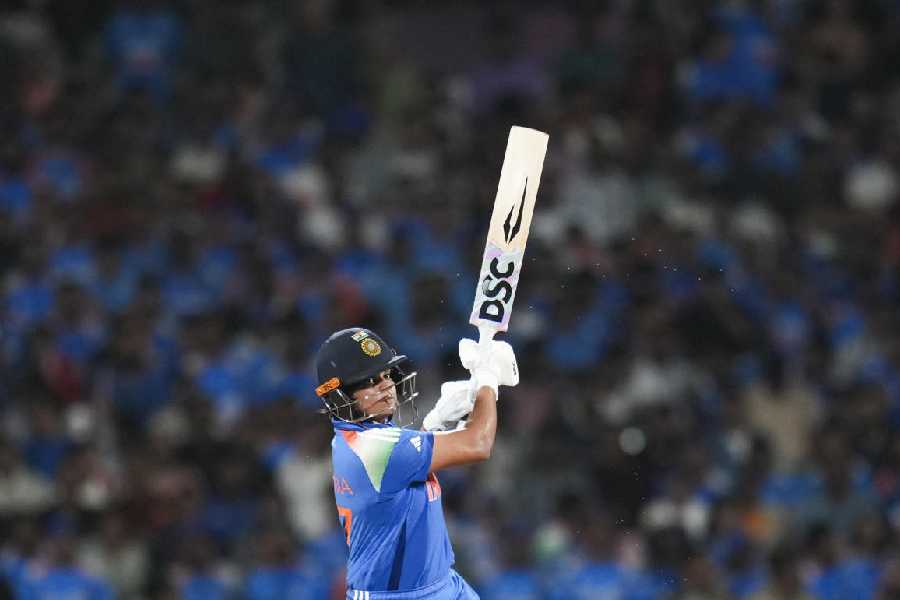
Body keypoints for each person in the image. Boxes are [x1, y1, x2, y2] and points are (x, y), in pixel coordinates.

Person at [314, 327, 518, 599]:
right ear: (340, 395)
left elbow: (399, 469)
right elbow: (477, 444)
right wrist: (488, 381)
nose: (386, 385)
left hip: (442, 585)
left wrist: (434, 423)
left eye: (386, 375)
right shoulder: (373, 447)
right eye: (370, 381)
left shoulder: (360, 441)